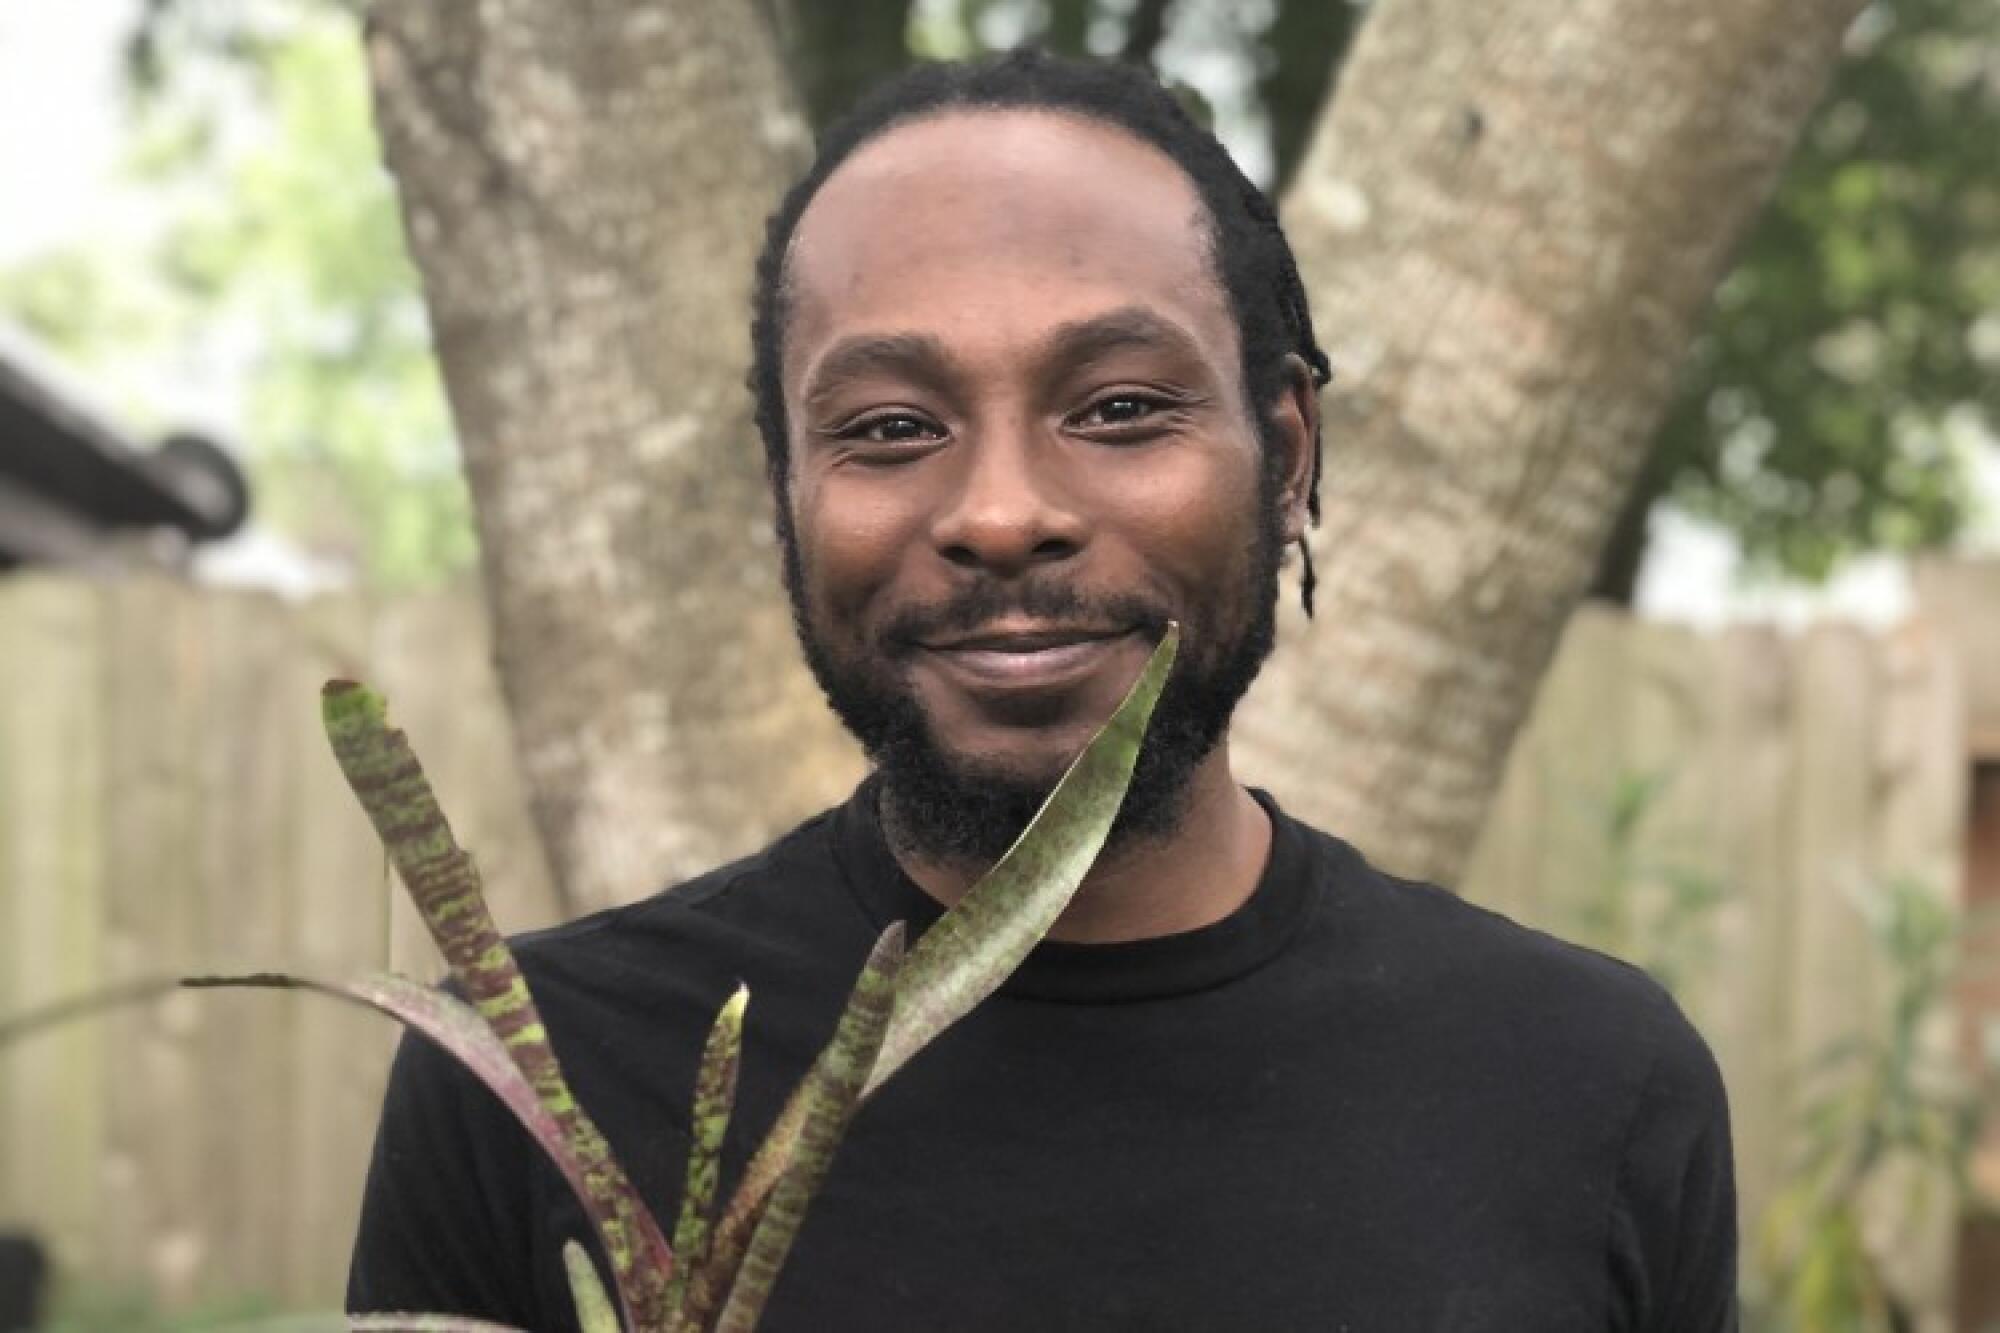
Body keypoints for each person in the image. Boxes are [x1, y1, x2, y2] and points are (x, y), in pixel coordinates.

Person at [348, 49, 1737, 1332]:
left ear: (1289, 453)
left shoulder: (1587, 1086)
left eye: (1121, 406)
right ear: (785, 497)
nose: (1003, 513)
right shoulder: (534, 1091)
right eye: (891, 427)